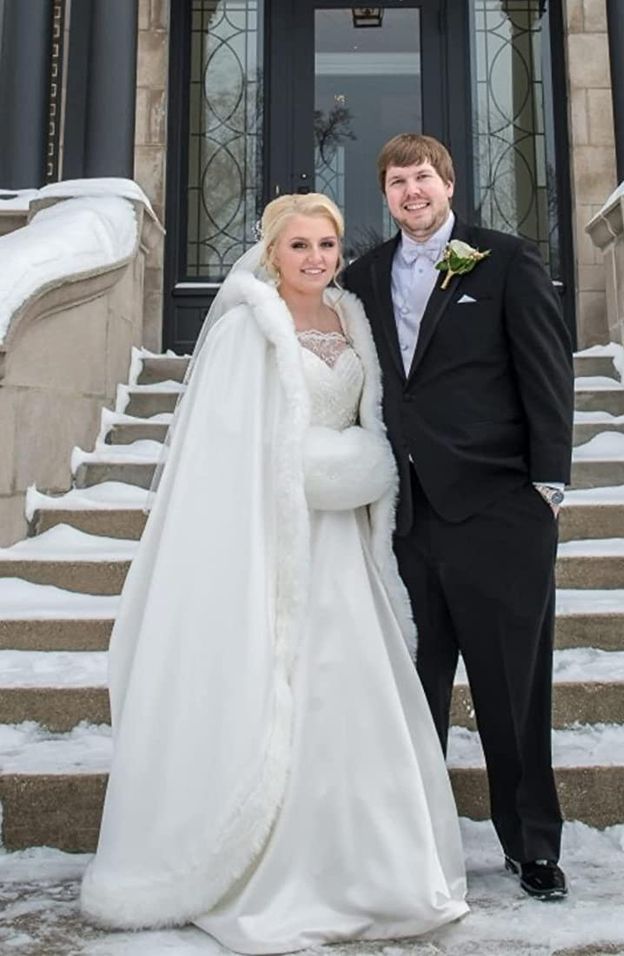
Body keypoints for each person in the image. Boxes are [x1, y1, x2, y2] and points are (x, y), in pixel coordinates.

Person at [80, 192, 468, 952]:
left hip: (345, 546)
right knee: (280, 683)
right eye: (299, 246)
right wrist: (317, 469)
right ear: (271, 251)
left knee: (353, 687)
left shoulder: (352, 318)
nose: (316, 259)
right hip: (273, 540)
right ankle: (262, 859)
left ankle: (367, 864)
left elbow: (371, 422)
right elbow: (225, 450)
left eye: (326, 244)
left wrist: (361, 466)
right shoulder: (246, 330)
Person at [343, 134, 575, 900]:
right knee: (413, 690)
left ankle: (531, 845)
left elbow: (545, 371)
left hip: (499, 509)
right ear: (384, 194)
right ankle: (415, 844)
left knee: (512, 686)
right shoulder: (364, 277)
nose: (411, 191)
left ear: (448, 183)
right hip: (405, 519)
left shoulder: (502, 259)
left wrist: (547, 485)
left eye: (422, 178)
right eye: (396, 181)